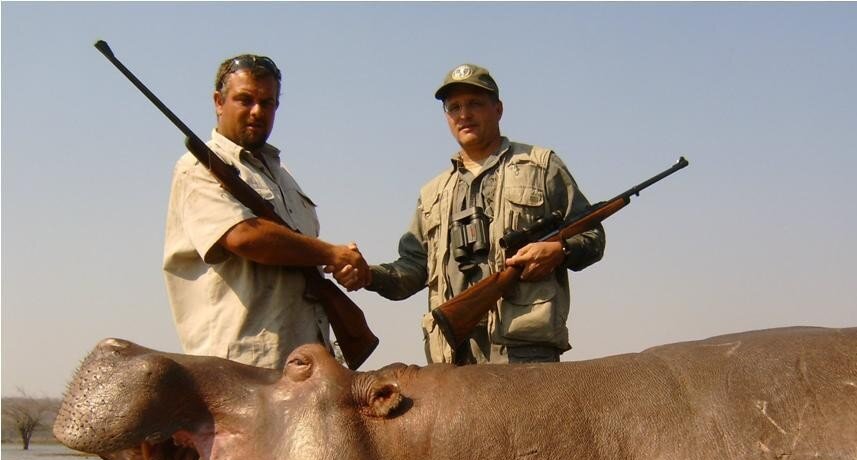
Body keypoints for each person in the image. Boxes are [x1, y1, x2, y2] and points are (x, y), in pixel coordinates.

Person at [340, 63, 605, 365]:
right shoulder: (432, 193)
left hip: (524, 353)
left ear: (498, 109)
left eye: (475, 104)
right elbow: (413, 270)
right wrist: (368, 275)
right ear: (446, 117)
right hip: (453, 357)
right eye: (454, 107)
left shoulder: (542, 165)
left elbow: (592, 234)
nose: (464, 114)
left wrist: (559, 250)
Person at [163, 54, 367, 369]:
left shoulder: (283, 175)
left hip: (304, 365)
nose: (257, 111)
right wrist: (331, 253)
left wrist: (340, 264)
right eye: (245, 100)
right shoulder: (195, 168)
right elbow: (245, 237)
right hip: (244, 369)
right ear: (219, 101)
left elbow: (301, 253)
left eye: (267, 103)